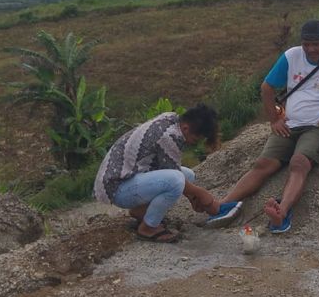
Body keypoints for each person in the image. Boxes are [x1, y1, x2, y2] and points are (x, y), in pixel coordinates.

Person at [205, 20, 319, 233]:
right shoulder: (292, 56)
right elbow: (267, 87)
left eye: (317, 44)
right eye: (306, 44)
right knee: (263, 164)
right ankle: (225, 204)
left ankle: (281, 212)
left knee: (299, 162)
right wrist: (274, 120)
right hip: (290, 124)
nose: (311, 49)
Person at [93, 104, 222, 243]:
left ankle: (140, 211)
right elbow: (175, 178)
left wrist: (193, 198)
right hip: (118, 188)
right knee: (177, 180)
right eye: (195, 139)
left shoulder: (171, 119)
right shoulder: (169, 136)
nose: (193, 143)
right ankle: (148, 228)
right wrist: (203, 194)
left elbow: (170, 168)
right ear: (186, 128)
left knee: (188, 175)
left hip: (130, 177)